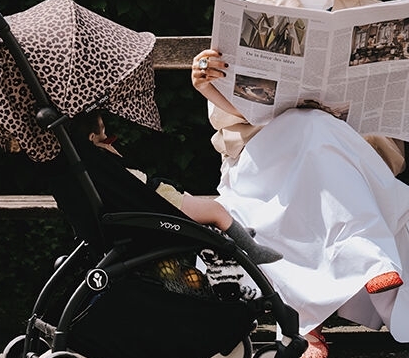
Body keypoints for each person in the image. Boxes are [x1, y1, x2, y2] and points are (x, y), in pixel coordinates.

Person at [191, 0, 409, 358]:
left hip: (350, 154)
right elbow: (236, 113)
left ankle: (303, 323)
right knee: (307, 125)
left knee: (317, 130)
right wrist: (206, 84)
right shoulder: (260, 11)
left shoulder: (370, 11)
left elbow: (396, 101)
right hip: (270, 159)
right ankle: (370, 258)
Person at [85, 112, 283, 267]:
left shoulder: (92, 164)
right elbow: (133, 178)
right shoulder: (103, 161)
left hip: (152, 197)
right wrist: (112, 155)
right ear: (92, 137)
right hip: (156, 200)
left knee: (199, 206)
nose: (106, 135)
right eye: (102, 130)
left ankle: (233, 233)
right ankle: (253, 250)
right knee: (216, 210)